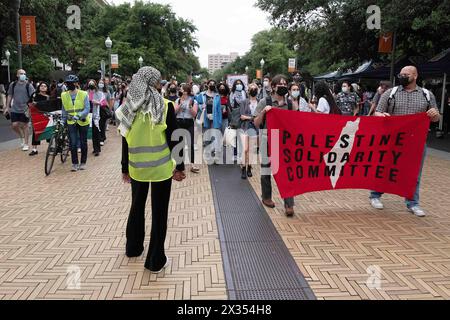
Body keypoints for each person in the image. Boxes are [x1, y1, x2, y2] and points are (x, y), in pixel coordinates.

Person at [116, 66, 185, 273]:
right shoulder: (165, 106)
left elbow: (124, 139)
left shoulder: (128, 106)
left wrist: (124, 168)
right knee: (159, 212)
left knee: (136, 207)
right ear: (155, 82)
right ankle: (155, 259)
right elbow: (175, 138)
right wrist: (180, 166)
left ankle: (133, 247)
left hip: (137, 168)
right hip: (161, 169)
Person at [370, 66, 440, 217]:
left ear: (415, 76)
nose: (402, 76)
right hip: (393, 140)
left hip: (416, 141)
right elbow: (377, 112)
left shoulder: (427, 95)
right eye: (401, 74)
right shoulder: (390, 93)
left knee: (414, 172)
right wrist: (381, 116)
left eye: (406, 74)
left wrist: (435, 114)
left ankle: (413, 203)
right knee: (385, 167)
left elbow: (435, 117)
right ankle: (375, 195)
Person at [254, 74, 295, 217]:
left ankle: (289, 204)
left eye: (285, 84)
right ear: (273, 86)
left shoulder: (290, 104)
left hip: (285, 141)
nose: (283, 86)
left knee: (287, 171)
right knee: (266, 169)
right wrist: (264, 112)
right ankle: (266, 197)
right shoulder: (265, 101)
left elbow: (297, 122)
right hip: (267, 139)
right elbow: (256, 123)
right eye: (280, 84)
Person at [61, 74, 90, 172]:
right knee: (73, 143)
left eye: (71, 83)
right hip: (70, 122)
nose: (69, 85)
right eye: (68, 83)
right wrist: (62, 120)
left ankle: (83, 162)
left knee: (83, 142)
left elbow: (87, 109)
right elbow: (64, 110)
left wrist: (79, 115)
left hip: (82, 121)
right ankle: (74, 163)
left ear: (76, 83)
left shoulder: (83, 94)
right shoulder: (64, 95)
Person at [4, 69, 35, 151]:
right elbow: (10, 95)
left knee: (25, 126)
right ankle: (21, 136)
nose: (23, 75)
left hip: (25, 109)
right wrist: (7, 107)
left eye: (24, 73)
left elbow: (33, 97)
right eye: (21, 73)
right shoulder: (13, 85)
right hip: (14, 109)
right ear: (17, 75)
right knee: (14, 125)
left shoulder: (29, 85)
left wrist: (31, 108)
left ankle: (26, 143)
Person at [175, 83, 200, 173]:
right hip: (179, 122)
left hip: (189, 123)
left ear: (186, 91)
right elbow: (174, 112)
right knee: (179, 144)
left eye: (181, 88)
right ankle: (179, 165)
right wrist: (180, 105)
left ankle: (192, 164)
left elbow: (194, 114)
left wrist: (190, 106)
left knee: (190, 144)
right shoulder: (178, 100)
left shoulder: (193, 101)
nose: (180, 90)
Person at [199, 79, 222, 164]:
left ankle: (216, 155)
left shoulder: (217, 96)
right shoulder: (202, 95)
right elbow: (197, 104)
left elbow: (219, 109)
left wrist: (219, 121)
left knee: (215, 136)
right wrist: (201, 106)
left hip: (214, 118)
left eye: (213, 84)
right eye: (210, 83)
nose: (212, 85)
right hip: (205, 118)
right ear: (207, 85)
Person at [239, 83, 259, 179]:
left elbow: (260, 117)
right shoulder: (244, 102)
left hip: (255, 128)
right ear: (248, 91)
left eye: (255, 88)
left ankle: (249, 167)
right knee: (245, 149)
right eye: (251, 88)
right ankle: (243, 167)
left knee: (251, 149)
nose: (253, 90)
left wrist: (252, 118)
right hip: (245, 127)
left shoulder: (260, 102)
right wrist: (253, 118)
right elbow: (242, 116)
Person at [29, 82, 51, 156]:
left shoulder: (49, 97)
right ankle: (34, 149)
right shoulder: (34, 95)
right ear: (39, 87)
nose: (43, 87)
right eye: (41, 86)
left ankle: (51, 147)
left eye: (45, 86)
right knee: (36, 132)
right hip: (36, 115)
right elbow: (29, 103)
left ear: (47, 88)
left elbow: (51, 106)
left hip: (46, 116)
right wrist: (32, 104)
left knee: (49, 131)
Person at [87, 80, 102, 156]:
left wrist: (97, 102)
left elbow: (103, 102)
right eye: (90, 84)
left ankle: (97, 149)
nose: (91, 86)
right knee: (92, 133)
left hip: (96, 116)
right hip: (88, 115)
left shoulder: (99, 93)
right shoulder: (86, 93)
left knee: (96, 132)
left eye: (92, 84)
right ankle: (94, 148)